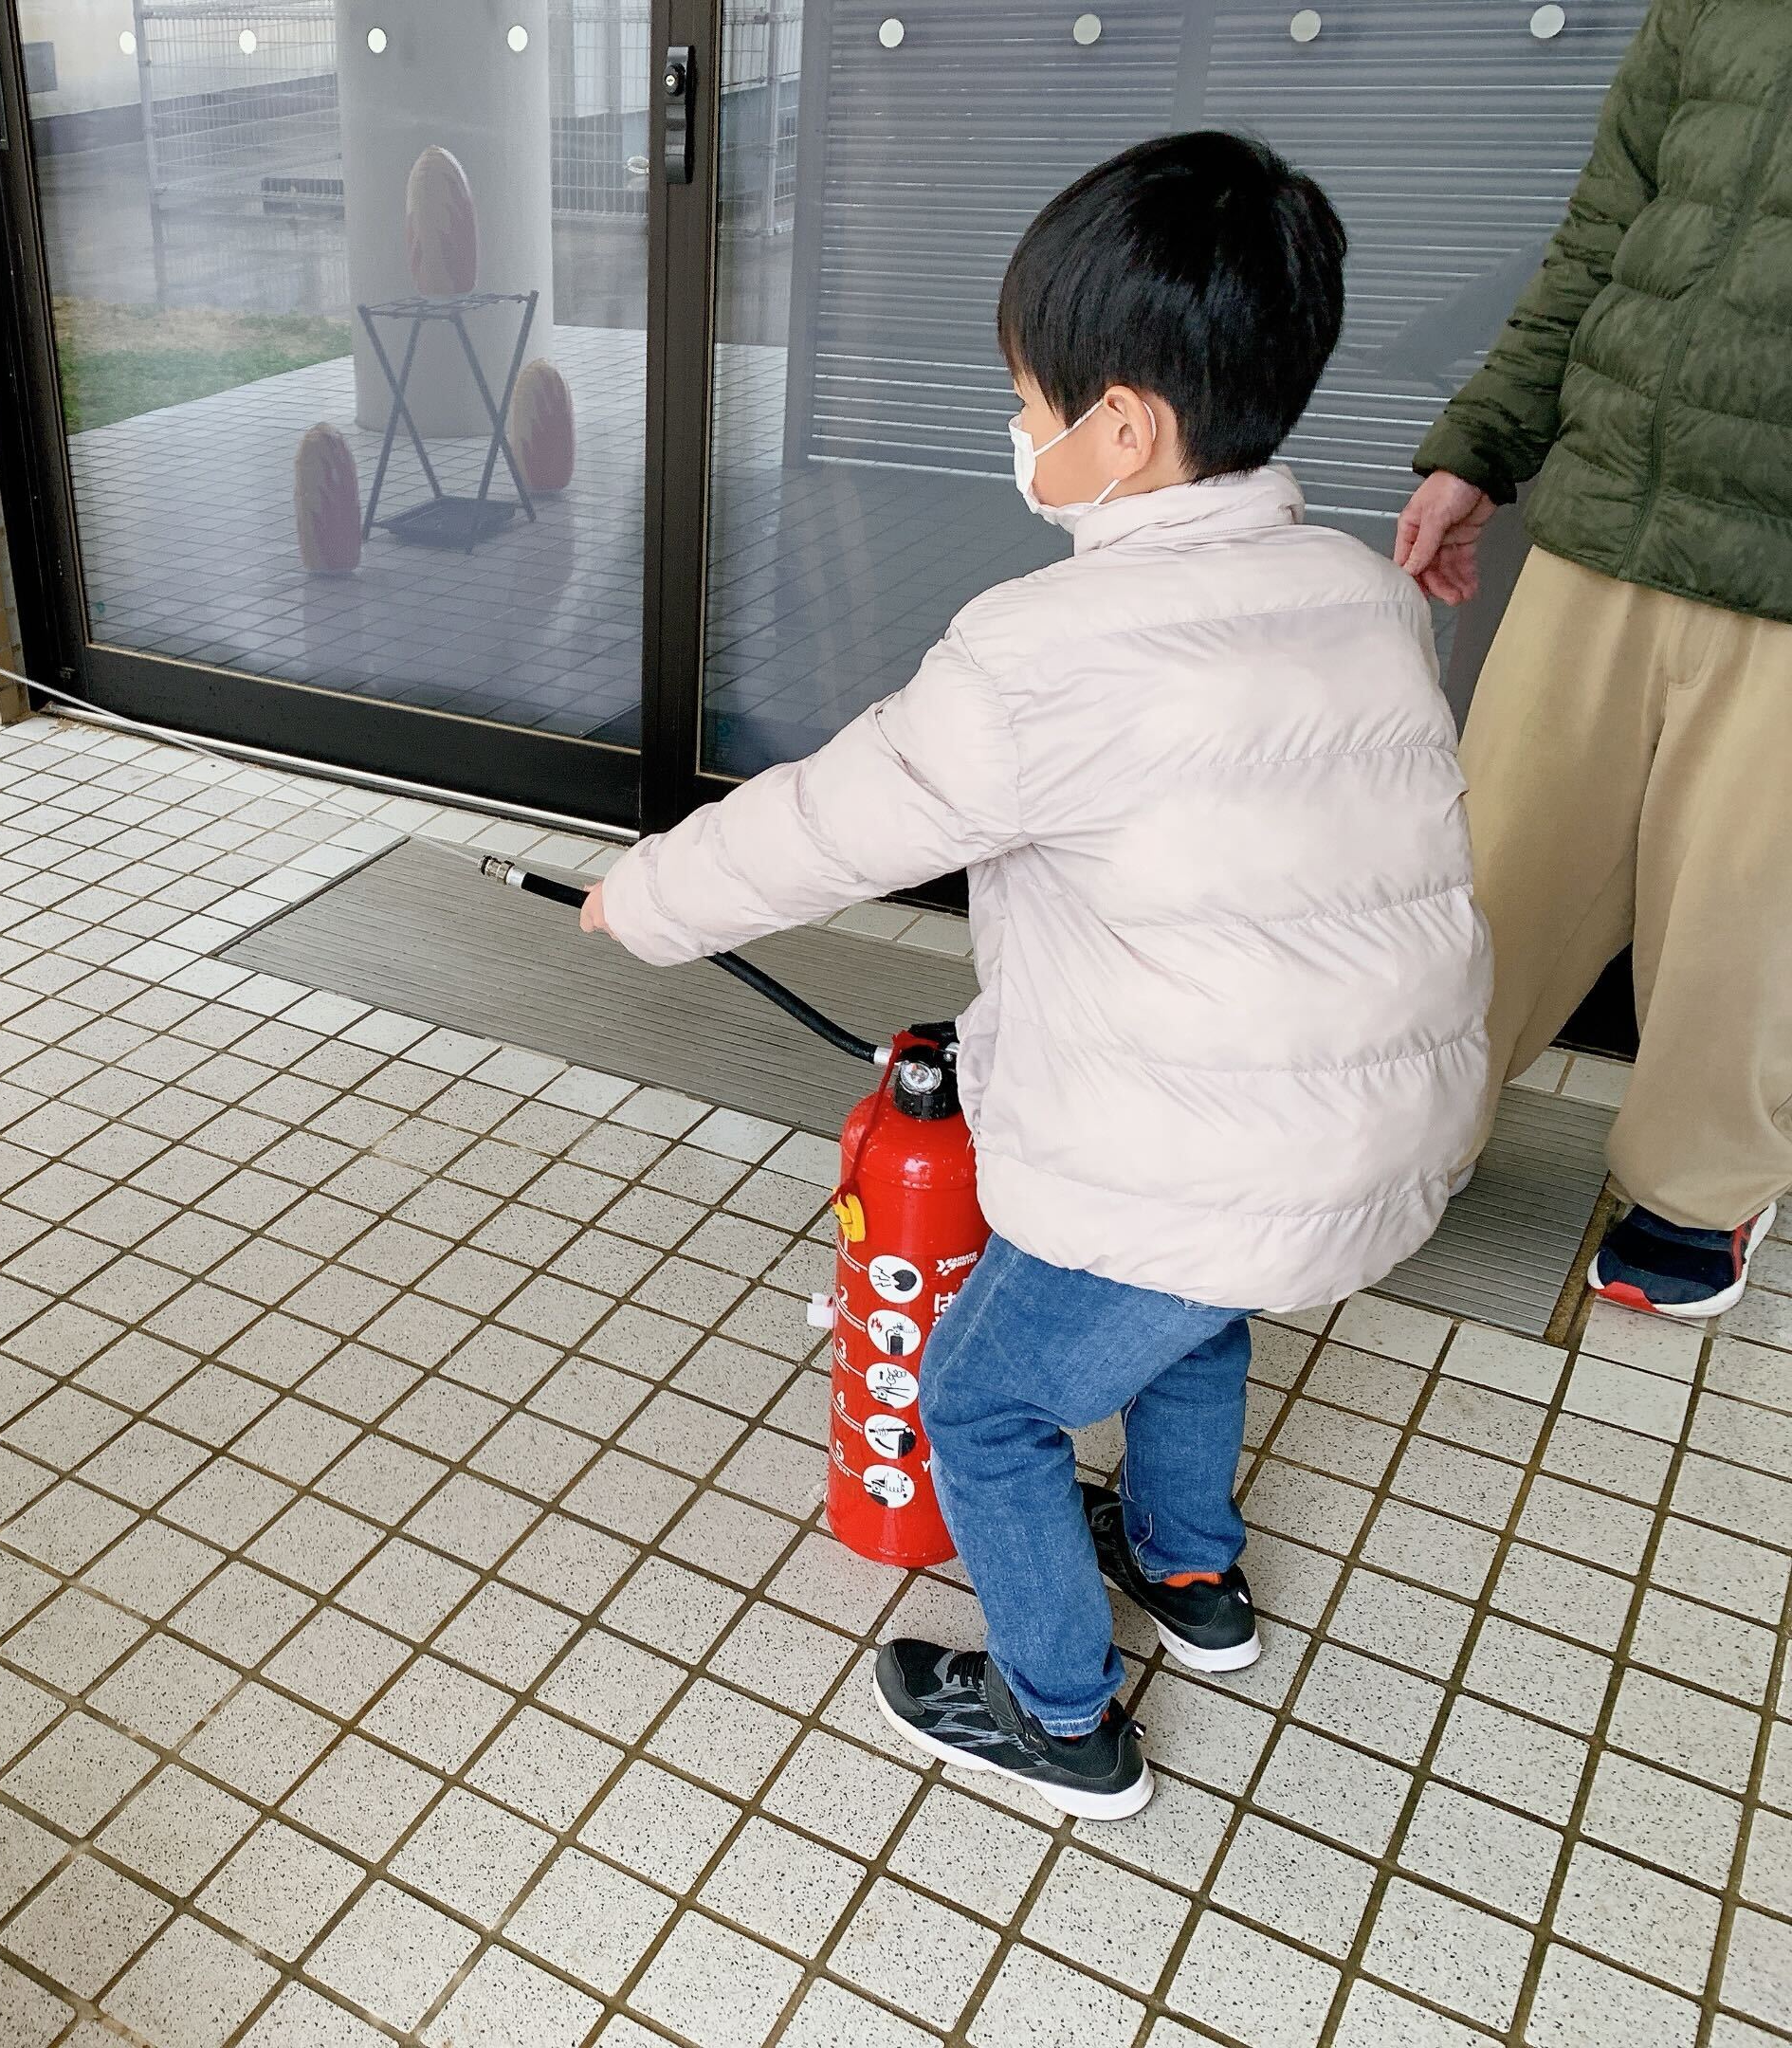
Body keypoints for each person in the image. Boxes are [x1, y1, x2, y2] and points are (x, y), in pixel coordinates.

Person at [581, 132, 1490, 1820]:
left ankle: (1062, 1714)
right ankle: (1191, 1576)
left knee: (984, 1402)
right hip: (1369, 1137)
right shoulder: (1369, 594)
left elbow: (826, 822)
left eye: (1025, 401)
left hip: (1193, 1141)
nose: (1018, 434)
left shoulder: (1045, 655)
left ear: (1121, 425)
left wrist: (640, 897)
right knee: (1195, 1309)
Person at [1395, 0, 1788, 1318]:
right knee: (1493, 858)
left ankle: (1698, 1187)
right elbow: (1600, 240)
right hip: (1609, 507)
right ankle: (1410, 1127)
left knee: (1744, 917)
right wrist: (1481, 443)